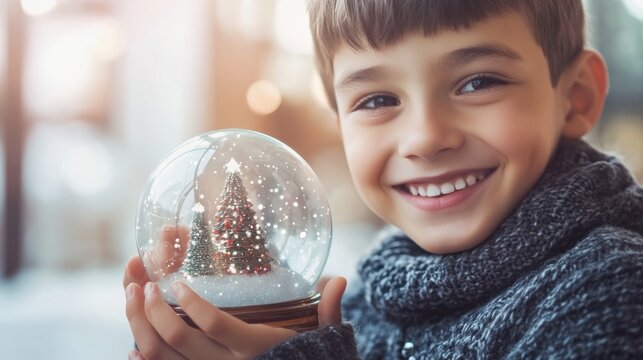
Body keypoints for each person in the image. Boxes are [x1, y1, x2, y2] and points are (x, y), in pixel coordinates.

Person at [123, 0, 643, 358]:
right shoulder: (360, 310)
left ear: (575, 97)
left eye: (478, 82)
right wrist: (263, 299)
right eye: (376, 100)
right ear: (340, 124)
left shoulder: (609, 289)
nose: (423, 137)